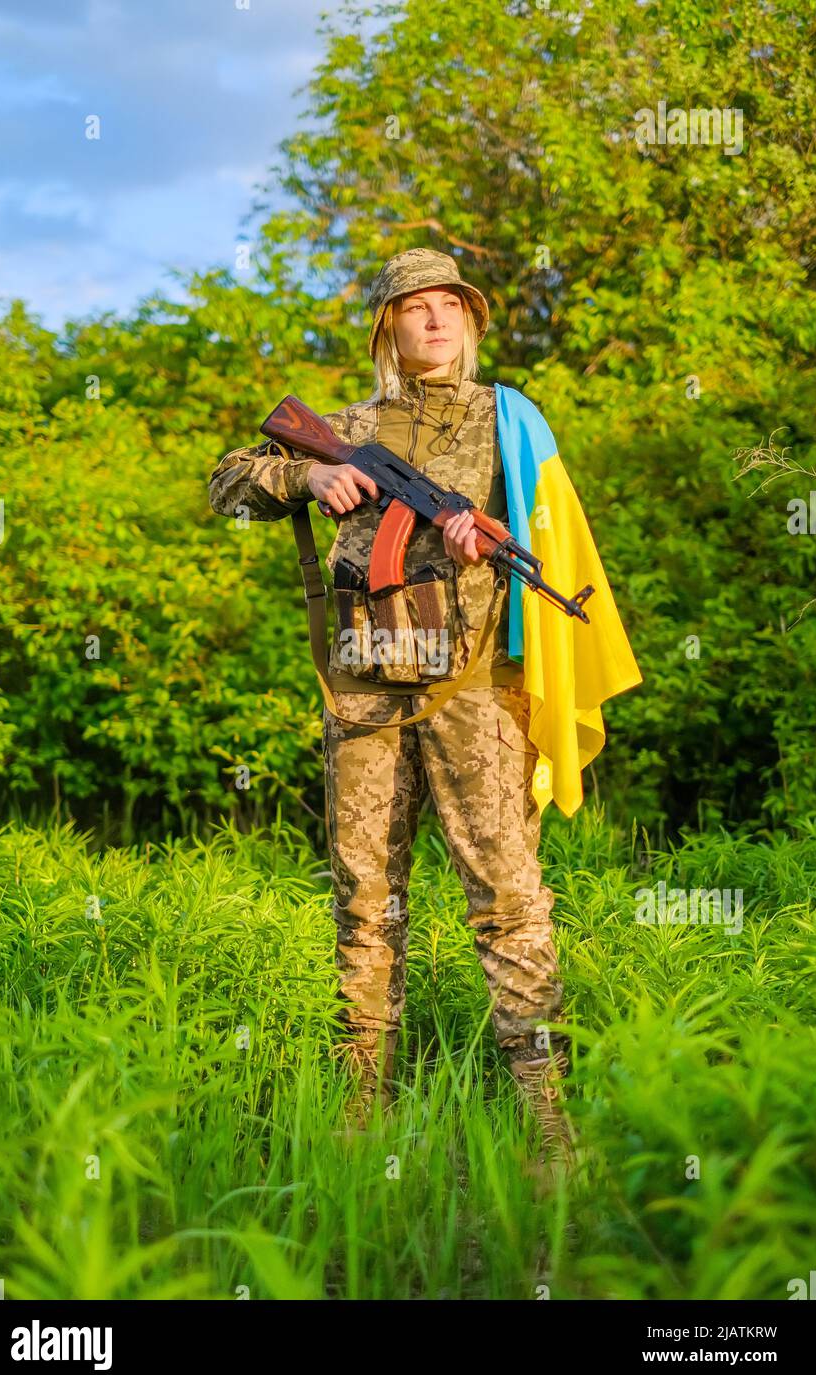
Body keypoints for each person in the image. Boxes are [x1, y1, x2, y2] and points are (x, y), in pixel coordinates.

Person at [209, 248, 573, 1155]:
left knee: (510, 900)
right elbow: (225, 482)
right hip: (364, 697)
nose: (436, 319)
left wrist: (477, 538)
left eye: (452, 304)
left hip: (474, 695)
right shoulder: (348, 423)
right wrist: (309, 477)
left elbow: (545, 534)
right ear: (388, 328)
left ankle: (545, 1114)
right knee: (366, 902)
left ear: (472, 323)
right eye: (415, 307)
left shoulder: (507, 423)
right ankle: (358, 1112)